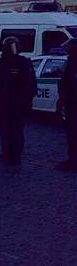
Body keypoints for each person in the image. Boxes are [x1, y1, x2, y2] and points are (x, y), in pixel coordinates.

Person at [0, 36, 36, 166]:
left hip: (9, 104)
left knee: (9, 131)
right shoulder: (22, 62)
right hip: (13, 104)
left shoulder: (4, 62)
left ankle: (10, 155)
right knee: (13, 131)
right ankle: (12, 155)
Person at [58, 39, 77, 171]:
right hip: (70, 102)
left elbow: (66, 82)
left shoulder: (73, 62)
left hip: (73, 103)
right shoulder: (70, 61)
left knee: (72, 134)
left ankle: (72, 161)